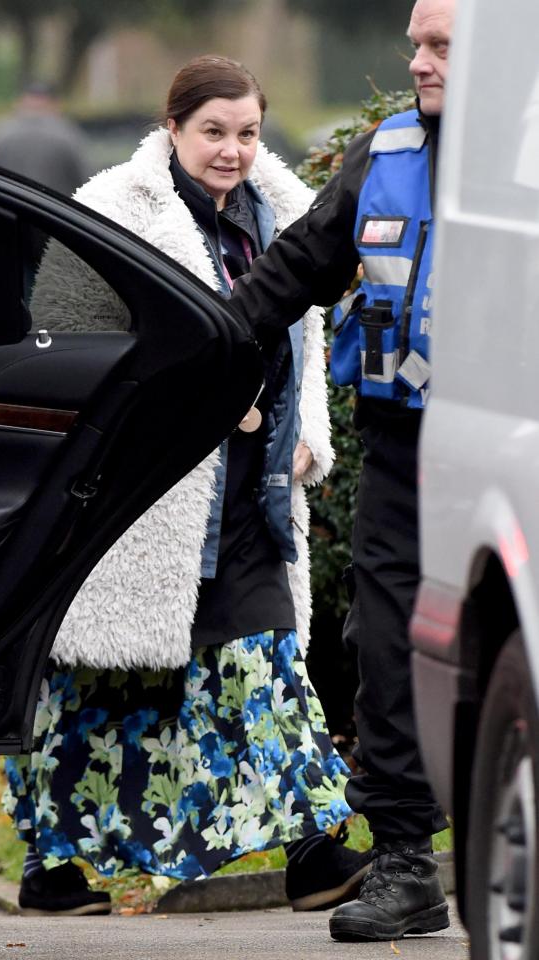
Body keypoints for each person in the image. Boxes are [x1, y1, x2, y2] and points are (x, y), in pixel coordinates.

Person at [3, 55, 371, 916]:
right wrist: (202, 411)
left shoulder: (277, 215)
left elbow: (300, 339)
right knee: (103, 696)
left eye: (247, 133)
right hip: (142, 500)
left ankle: (316, 851)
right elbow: (70, 346)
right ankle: (49, 869)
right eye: (213, 132)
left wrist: (301, 432)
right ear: (171, 129)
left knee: (267, 662)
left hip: (250, 498)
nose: (233, 151)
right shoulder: (110, 210)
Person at [229, 0, 455, 943]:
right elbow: (292, 274)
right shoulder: (384, 152)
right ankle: (406, 863)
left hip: (515, 442)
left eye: (441, 45)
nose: (418, 61)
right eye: (415, 43)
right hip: (406, 446)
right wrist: (193, 343)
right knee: (389, 640)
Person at [0, 81, 90, 195]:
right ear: (56, 104)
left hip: (8, 205)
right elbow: (85, 179)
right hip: (53, 209)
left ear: (19, 103)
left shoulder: (0, 132)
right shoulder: (67, 133)